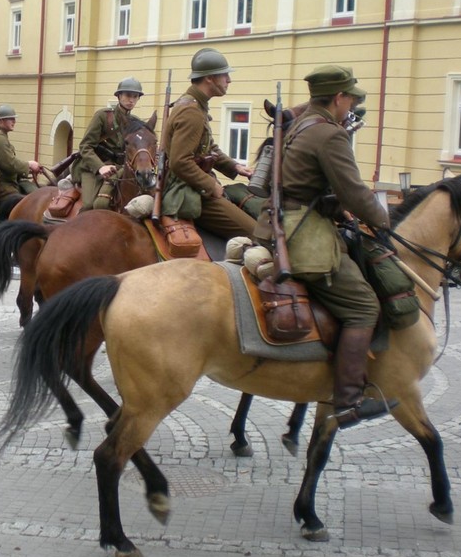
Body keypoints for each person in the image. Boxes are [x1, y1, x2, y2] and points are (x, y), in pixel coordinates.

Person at [262, 65, 394, 429]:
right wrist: (384, 222)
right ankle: (349, 401)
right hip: (303, 231)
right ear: (338, 97)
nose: (350, 105)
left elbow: (309, 183)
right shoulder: (329, 134)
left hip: (279, 221)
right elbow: (355, 191)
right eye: (350, 98)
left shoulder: (299, 126)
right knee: (364, 306)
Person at [161, 48, 256, 239]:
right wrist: (211, 185)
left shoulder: (196, 105)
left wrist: (235, 166)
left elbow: (208, 148)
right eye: (225, 75)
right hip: (186, 191)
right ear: (209, 78)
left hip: (194, 184)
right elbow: (180, 162)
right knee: (258, 234)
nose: (229, 80)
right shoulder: (191, 112)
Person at [75, 77, 144, 210]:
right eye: (128, 95)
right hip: (94, 168)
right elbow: (85, 146)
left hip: (119, 170)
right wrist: (100, 167)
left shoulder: (135, 123)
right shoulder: (103, 116)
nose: (132, 100)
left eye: (135, 97)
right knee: (89, 205)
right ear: (119, 96)